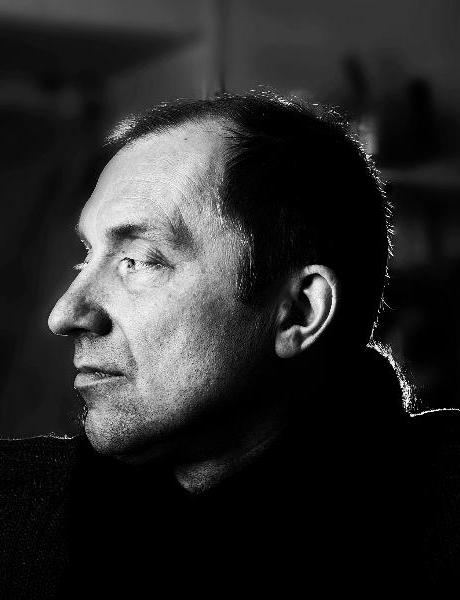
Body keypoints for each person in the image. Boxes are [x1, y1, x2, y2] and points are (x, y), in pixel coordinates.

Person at [1, 91, 412, 597]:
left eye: (137, 261)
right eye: (86, 257)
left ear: (299, 312)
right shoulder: (13, 510)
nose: (65, 314)